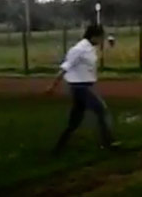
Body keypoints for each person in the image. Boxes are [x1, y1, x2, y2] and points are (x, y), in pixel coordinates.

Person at [46, 24, 119, 153]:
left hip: (83, 87)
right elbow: (65, 68)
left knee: (75, 120)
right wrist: (53, 85)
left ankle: (59, 147)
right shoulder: (78, 49)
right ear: (93, 37)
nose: (102, 40)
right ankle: (109, 142)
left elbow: (96, 56)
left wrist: (110, 45)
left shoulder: (90, 48)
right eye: (100, 37)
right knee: (102, 110)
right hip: (80, 87)